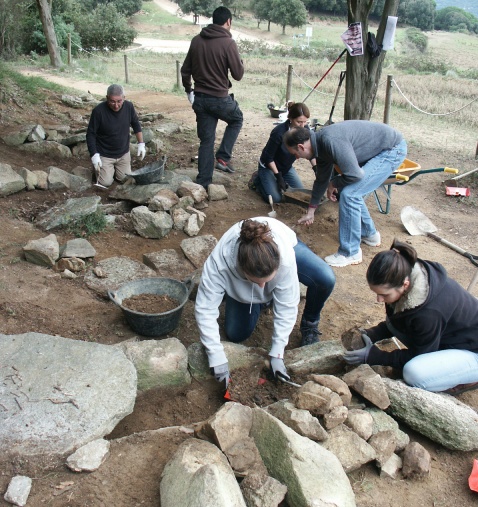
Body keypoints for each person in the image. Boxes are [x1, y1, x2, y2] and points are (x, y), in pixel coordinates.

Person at [195, 217, 335, 387]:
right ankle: (253, 301)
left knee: (325, 278)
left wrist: (277, 352)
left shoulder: (285, 259)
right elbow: (205, 309)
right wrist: (215, 356)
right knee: (236, 334)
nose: (262, 286)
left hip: (285, 242)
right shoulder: (220, 263)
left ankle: (310, 323)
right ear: (242, 269)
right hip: (241, 279)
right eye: (256, 282)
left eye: (268, 281)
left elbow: (287, 305)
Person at [344, 240, 478, 395]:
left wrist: (376, 356)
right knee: (403, 323)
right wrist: (372, 334)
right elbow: (398, 321)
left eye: (384, 294)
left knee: (414, 373)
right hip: (456, 336)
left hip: (474, 350)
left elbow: (421, 354)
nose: (379, 300)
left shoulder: (429, 312)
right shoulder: (403, 273)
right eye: (377, 293)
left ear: (405, 284)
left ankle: (467, 376)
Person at [283, 122, 407, 267]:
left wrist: (334, 183)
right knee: (350, 190)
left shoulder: (330, 140)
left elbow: (355, 175)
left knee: (350, 193)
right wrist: (311, 211)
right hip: (382, 149)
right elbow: (322, 180)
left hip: (391, 150)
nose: (296, 158)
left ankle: (350, 252)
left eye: (295, 154)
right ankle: (369, 234)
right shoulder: (319, 147)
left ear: (301, 147)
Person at [181, 6, 244, 189]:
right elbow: (238, 75)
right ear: (228, 22)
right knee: (237, 119)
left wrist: (188, 91)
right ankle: (223, 158)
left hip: (199, 99)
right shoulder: (228, 43)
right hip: (220, 99)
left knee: (206, 141)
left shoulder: (196, 41)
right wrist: (241, 63)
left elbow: (185, 70)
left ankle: (203, 183)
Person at [252, 102, 316, 203]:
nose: (302, 125)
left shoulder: (304, 130)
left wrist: (315, 168)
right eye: (299, 122)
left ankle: (274, 181)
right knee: (276, 198)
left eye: (305, 122)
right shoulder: (279, 132)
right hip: (268, 167)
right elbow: (268, 158)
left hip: (286, 167)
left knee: (298, 193)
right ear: (290, 118)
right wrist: (278, 176)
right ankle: (258, 181)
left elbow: (310, 151)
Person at [86, 84, 145, 188]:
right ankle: (104, 168)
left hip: (123, 154)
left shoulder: (129, 107)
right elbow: (90, 134)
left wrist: (141, 143)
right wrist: (94, 155)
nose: (116, 105)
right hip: (105, 154)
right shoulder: (98, 111)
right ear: (107, 98)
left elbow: (136, 124)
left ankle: (113, 170)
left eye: (119, 101)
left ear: (124, 98)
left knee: (126, 179)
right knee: (105, 182)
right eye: (112, 101)